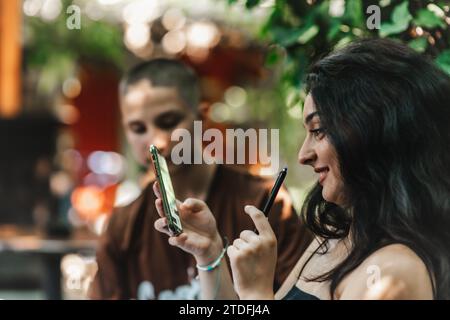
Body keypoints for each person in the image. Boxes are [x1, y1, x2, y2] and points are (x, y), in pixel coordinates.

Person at [153, 39, 450, 300]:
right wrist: (210, 255)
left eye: (318, 130)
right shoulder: (336, 238)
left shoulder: (393, 274)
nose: (303, 155)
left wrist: (257, 294)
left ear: (376, 133)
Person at [90, 58, 313, 299]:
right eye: (138, 129)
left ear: (201, 117)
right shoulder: (123, 225)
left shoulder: (262, 203)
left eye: (168, 122)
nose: (157, 142)